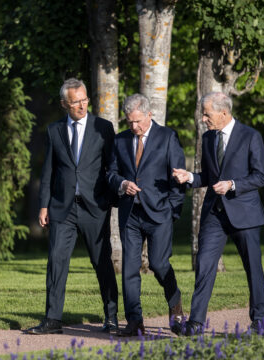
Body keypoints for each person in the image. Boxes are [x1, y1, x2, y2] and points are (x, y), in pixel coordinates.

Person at [26, 78, 119, 335]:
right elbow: (49, 171)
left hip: (94, 207)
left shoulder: (103, 127)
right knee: (56, 261)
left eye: (84, 99)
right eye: (76, 101)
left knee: (102, 263)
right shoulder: (54, 130)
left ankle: (111, 317)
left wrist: (113, 198)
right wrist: (43, 206)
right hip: (61, 208)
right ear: (64, 104)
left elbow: (112, 167)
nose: (81, 105)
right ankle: (52, 320)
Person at [172, 92, 264, 336]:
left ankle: (258, 323)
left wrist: (232, 185)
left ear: (224, 113)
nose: (203, 118)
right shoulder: (207, 139)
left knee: (252, 268)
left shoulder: (251, 136)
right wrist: (190, 177)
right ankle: (195, 323)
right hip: (214, 213)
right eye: (203, 114)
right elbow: (208, 176)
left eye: (207, 114)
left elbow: (260, 176)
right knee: (204, 264)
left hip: (244, 214)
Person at [107, 94, 186, 336]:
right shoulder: (120, 140)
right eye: (130, 122)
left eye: (138, 121)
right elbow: (110, 173)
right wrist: (122, 184)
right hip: (130, 213)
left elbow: (178, 178)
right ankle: (134, 321)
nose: (134, 127)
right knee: (129, 268)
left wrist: (172, 210)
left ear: (150, 114)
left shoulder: (167, 137)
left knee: (159, 264)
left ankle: (175, 306)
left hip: (159, 213)